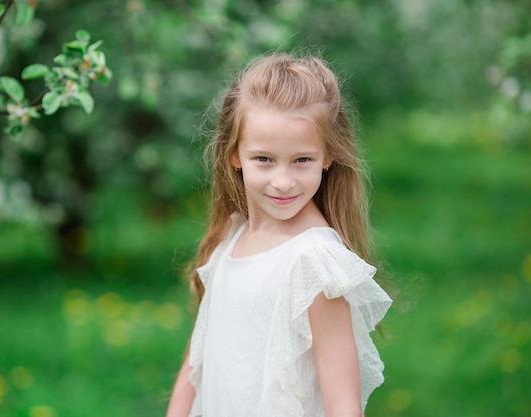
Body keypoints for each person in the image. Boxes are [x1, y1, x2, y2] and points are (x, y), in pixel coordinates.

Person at [166, 53, 392, 417]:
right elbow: (200, 355)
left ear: (328, 156)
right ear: (234, 155)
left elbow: (342, 404)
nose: (283, 181)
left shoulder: (316, 264)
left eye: (302, 160)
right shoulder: (233, 234)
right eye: (264, 160)